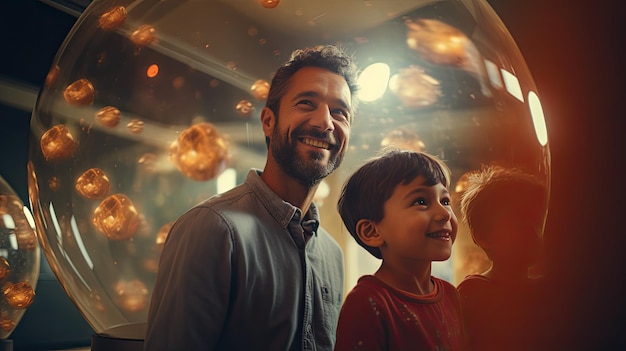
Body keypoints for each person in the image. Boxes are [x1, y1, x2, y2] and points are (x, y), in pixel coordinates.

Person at [144, 45, 360, 351]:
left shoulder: (331, 253)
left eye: (340, 112)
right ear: (268, 122)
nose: (325, 122)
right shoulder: (212, 229)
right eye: (306, 103)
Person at [334, 148, 466, 351]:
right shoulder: (367, 303)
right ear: (372, 231)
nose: (444, 213)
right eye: (421, 201)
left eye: (445, 201)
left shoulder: (450, 294)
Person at [456, 164, 549, 351]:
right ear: (483, 235)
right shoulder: (473, 292)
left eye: (537, 223)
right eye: (520, 223)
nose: (534, 233)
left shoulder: (545, 288)